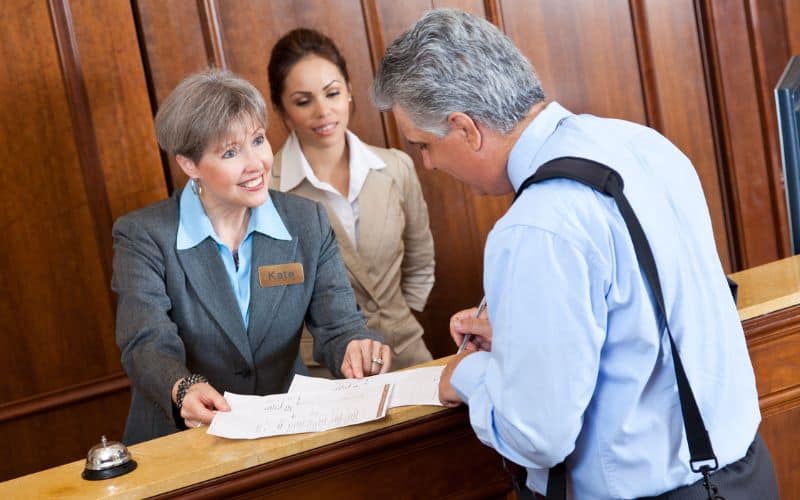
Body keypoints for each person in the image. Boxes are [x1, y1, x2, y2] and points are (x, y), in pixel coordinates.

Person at [372, 8, 778, 499]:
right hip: (747, 472)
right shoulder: (644, 145)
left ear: (465, 129)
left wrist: (467, 375)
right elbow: (651, 312)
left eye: (423, 145)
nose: (429, 164)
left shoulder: (537, 225)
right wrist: (527, 338)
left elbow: (536, 435)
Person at [112, 69, 391, 445]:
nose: (255, 163)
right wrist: (183, 388)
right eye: (230, 152)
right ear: (189, 165)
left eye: (258, 140)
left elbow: (340, 326)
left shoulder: (305, 221)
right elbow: (146, 344)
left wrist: (357, 347)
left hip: (281, 436)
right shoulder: (144, 236)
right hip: (182, 440)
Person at [267, 28, 435, 372]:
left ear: (349, 92)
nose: (323, 111)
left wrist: (394, 321)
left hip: (406, 355)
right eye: (303, 101)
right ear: (282, 110)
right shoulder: (269, 190)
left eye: (332, 93)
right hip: (325, 374)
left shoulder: (395, 167)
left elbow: (420, 262)